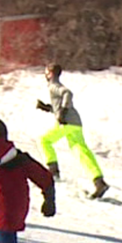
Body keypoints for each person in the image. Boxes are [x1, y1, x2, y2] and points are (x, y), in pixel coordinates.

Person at [36, 63, 109, 199]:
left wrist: (62, 112)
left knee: (44, 140)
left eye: (46, 72)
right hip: (75, 123)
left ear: (51, 73)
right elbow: (60, 104)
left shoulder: (53, 85)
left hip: (66, 122)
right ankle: (99, 181)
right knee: (81, 151)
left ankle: (53, 172)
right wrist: (47, 108)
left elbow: (67, 93)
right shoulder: (53, 86)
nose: (45, 75)